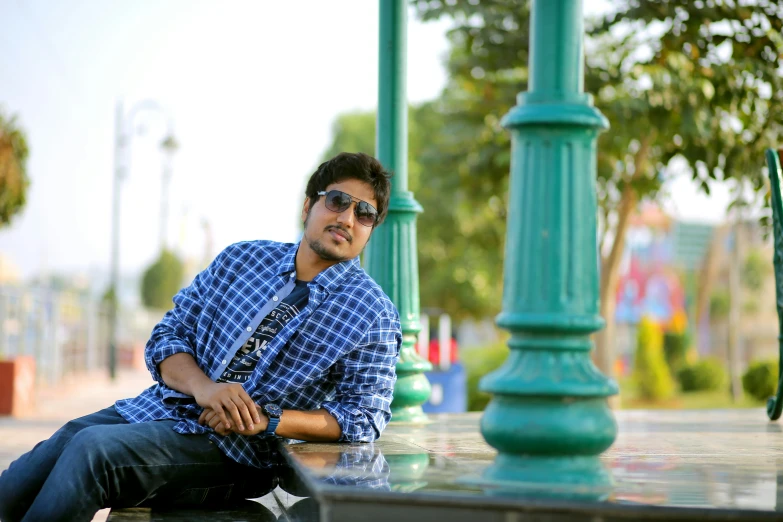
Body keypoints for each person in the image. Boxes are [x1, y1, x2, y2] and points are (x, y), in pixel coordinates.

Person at [0, 152, 402, 522]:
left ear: (371, 229)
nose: (348, 218)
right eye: (337, 201)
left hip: (238, 453)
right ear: (307, 206)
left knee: (93, 451)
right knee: (70, 437)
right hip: (160, 409)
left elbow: (363, 417)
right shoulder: (242, 258)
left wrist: (264, 419)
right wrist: (205, 389)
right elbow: (168, 335)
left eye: (364, 213)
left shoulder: (373, 314)